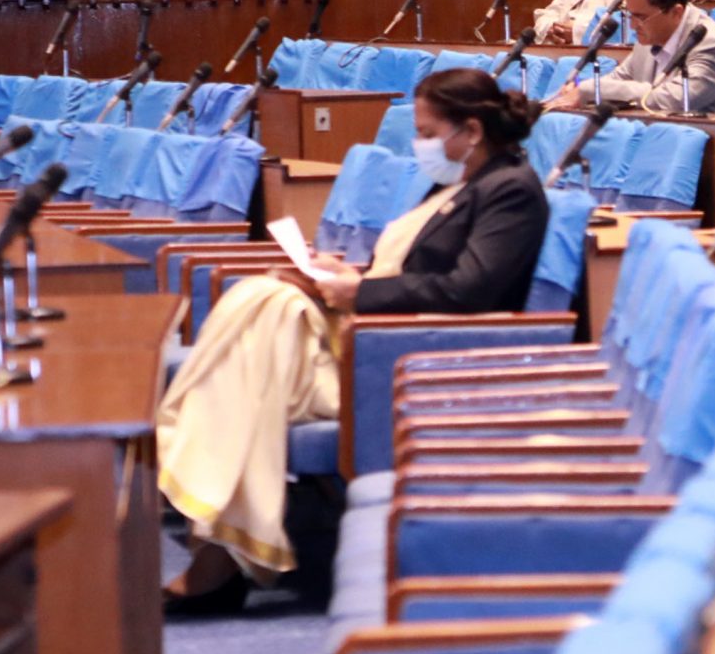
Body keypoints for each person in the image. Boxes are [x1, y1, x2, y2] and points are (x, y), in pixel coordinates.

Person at [156, 70, 552, 614]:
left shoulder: (512, 191)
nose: (419, 144)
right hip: (379, 339)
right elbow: (418, 270)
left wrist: (358, 293)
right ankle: (222, 541)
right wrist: (341, 274)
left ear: (472, 131)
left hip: (418, 362)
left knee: (263, 329)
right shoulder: (459, 182)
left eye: (427, 132)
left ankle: (217, 541)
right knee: (261, 302)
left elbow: (468, 290)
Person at [549, 0, 715, 114]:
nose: (632, 25)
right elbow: (619, 79)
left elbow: (676, 99)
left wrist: (591, 89)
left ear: (676, 12)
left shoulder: (709, 41)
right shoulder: (649, 36)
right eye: (630, 15)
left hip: (711, 143)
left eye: (641, 17)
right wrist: (581, 91)